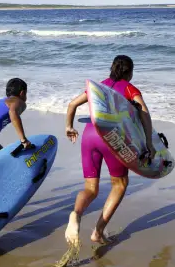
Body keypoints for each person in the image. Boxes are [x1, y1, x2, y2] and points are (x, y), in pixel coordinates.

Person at [64, 55, 154, 246]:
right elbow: (144, 113)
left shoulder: (98, 87)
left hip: (89, 135)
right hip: (112, 138)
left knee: (90, 188)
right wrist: (149, 143)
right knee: (120, 184)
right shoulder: (130, 89)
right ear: (130, 72)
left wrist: (69, 127)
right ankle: (98, 231)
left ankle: (75, 215)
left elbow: (72, 104)